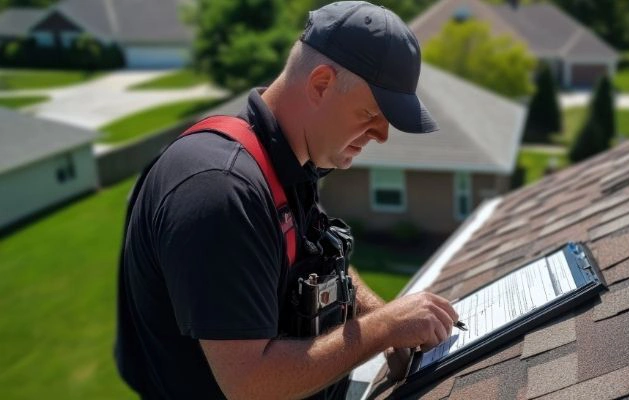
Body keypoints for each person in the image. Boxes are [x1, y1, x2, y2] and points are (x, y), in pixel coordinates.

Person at [114, 2, 459, 399]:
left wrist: (385, 320)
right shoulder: (220, 192)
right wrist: (383, 329)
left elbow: (325, 264)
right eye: (371, 113)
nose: (381, 135)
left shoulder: (286, 162)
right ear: (320, 84)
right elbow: (251, 384)